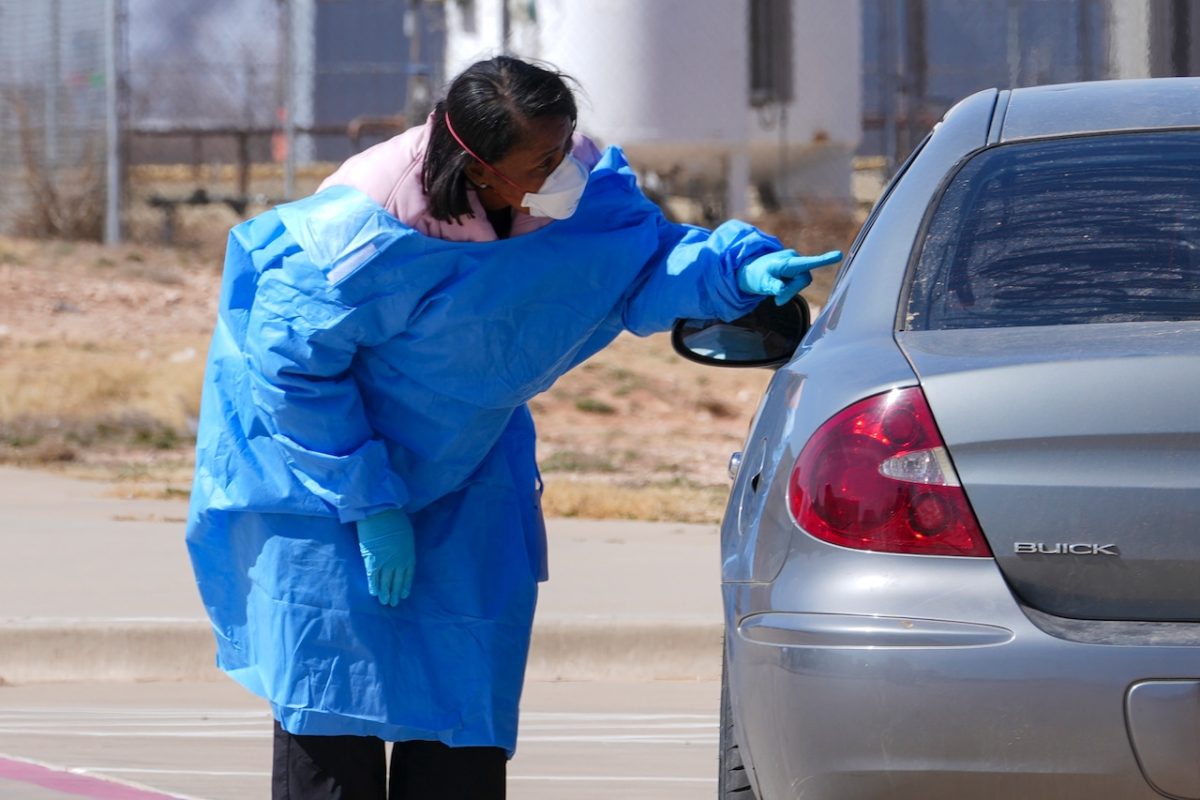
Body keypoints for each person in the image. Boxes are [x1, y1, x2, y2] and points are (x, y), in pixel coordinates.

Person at [186, 55, 840, 800]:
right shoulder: (358, 234)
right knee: (334, 701)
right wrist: (369, 503)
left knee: (464, 702)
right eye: (541, 160)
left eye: (565, 145)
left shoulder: (583, 185)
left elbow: (641, 261)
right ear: (478, 166)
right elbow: (294, 374)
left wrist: (731, 275)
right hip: (323, 472)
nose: (564, 167)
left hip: (472, 452)